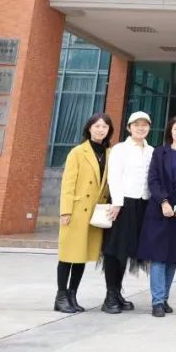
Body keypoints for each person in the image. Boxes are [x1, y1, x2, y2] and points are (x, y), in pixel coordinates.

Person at [136, 115, 176, 317]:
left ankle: (164, 298)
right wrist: (163, 201)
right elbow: (153, 180)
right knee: (158, 258)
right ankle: (157, 301)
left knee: (172, 258)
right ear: (170, 131)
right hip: (160, 212)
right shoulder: (159, 152)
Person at [55, 113, 114, 313]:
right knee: (68, 255)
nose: (100, 130)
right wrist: (65, 211)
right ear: (89, 128)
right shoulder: (78, 152)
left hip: (96, 213)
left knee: (81, 256)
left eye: (104, 127)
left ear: (109, 130)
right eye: (97, 126)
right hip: (77, 211)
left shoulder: (110, 153)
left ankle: (72, 295)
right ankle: (61, 296)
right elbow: (68, 184)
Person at [101, 110, 155, 313]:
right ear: (129, 127)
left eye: (145, 125)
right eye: (136, 124)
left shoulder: (151, 151)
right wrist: (116, 202)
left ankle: (117, 292)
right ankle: (110, 296)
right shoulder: (120, 149)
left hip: (143, 204)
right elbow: (114, 177)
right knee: (114, 250)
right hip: (122, 204)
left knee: (127, 250)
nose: (141, 128)